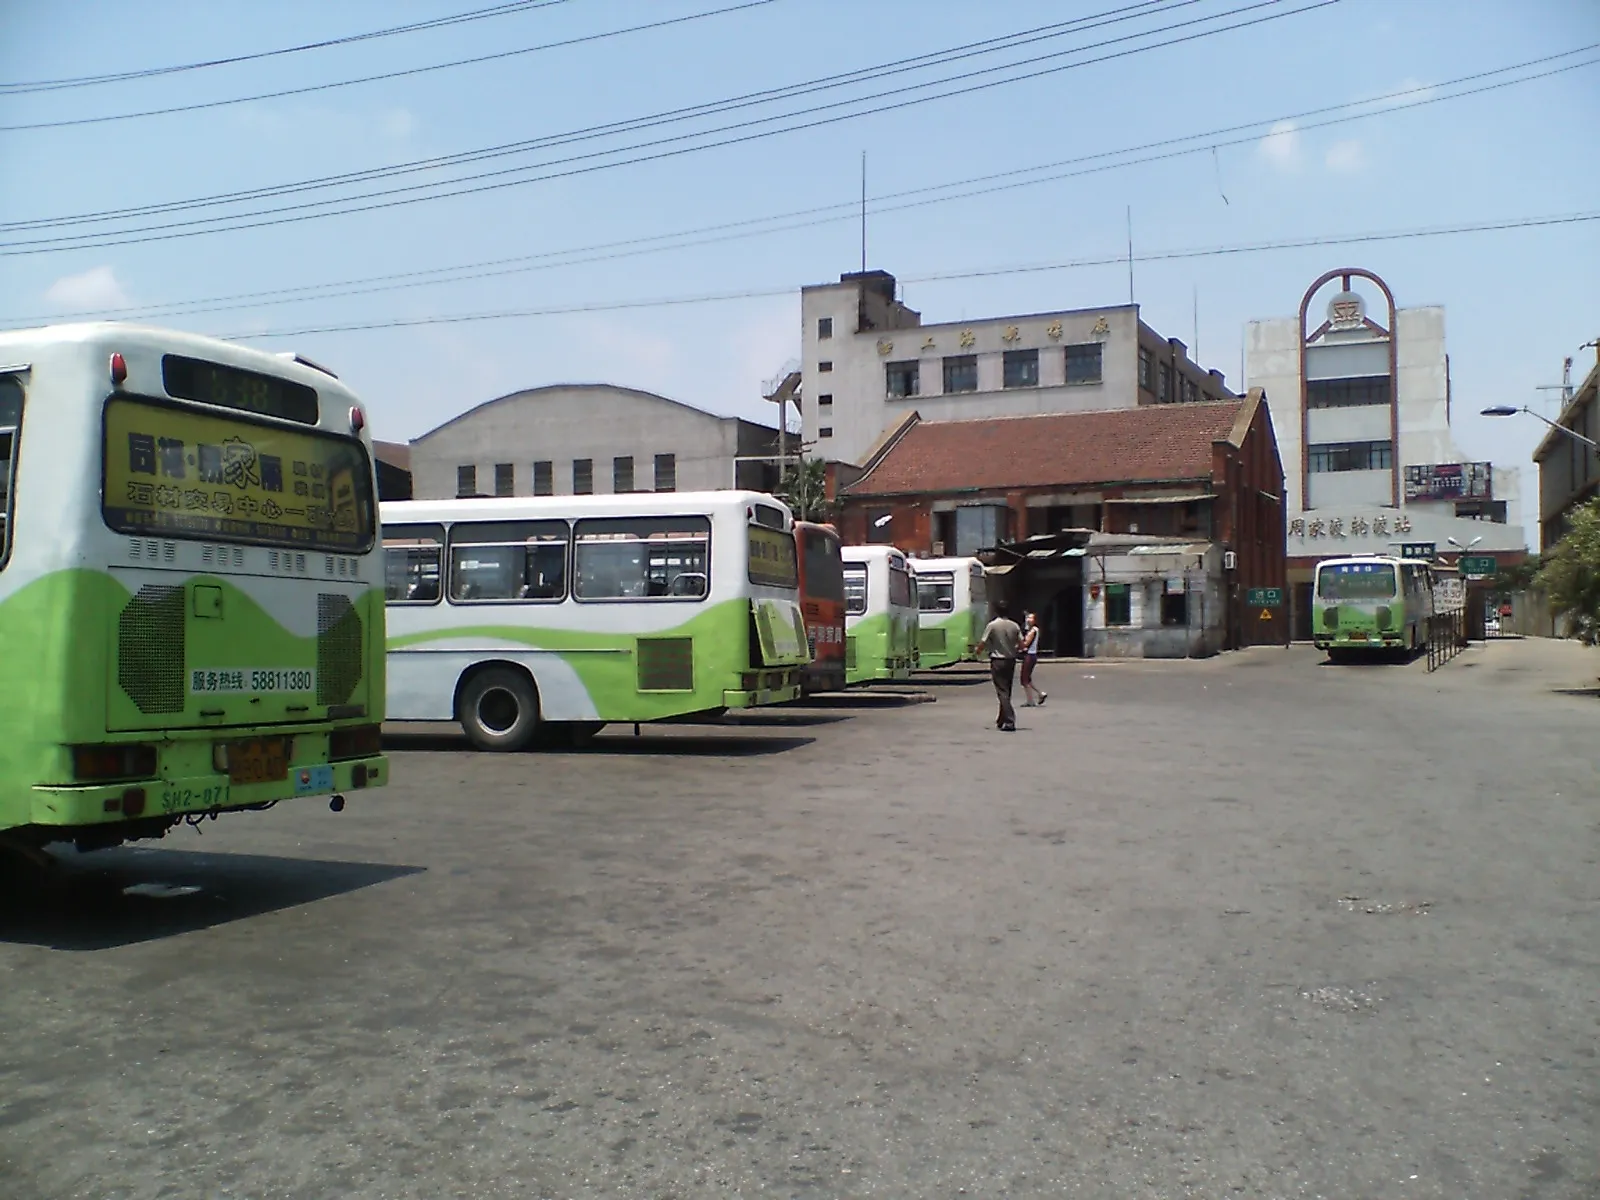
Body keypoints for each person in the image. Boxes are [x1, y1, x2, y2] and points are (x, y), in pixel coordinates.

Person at [978, 602, 1022, 732]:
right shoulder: (1014, 625)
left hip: (997, 660)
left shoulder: (992, 625)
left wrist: (978, 651)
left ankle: (1009, 720)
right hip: (1010, 660)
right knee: (1007, 690)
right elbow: (1022, 644)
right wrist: (1014, 649)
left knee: (1001, 691)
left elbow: (983, 642)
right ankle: (1001, 719)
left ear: (996, 611)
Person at [1018, 611, 1047, 707]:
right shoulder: (1033, 630)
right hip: (1032, 655)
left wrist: (1019, 645)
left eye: (1031, 618)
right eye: (1027, 618)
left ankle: (1030, 700)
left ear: (1035, 620)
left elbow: (1026, 644)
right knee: (1027, 679)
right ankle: (1039, 694)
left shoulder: (1033, 631)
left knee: (1024, 680)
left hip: (1029, 656)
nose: (1028, 620)